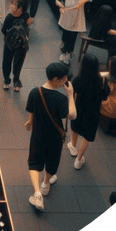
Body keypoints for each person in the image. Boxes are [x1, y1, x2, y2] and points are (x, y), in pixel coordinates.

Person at [24, 62, 76, 211]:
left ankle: (37, 193)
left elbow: (31, 109)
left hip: (38, 134)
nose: (66, 81)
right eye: (64, 79)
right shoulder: (61, 99)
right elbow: (72, 115)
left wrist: (30, 122)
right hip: (55, 137)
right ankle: (46, 184)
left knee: (34, 161)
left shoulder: (35, 91)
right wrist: (70, 95)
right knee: (52, 161)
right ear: (56, 79)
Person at [67, 53, 107, 170]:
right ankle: (79, 160)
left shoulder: (78, 79)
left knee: (75, 127)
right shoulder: (102, 80)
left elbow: (73, 96)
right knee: (87, 135)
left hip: (79, 109)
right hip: (93, 113)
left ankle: (73, 146)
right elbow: (104, 96)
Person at [56, 0, 91, 64]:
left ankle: (68, 54)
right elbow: (58, 0)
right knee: (66, 33)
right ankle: (65, 46)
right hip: (67, 16)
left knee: (72, 36)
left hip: (77, 18)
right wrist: (61, 7)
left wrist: (85, 0)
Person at [1, 0, 34, 92]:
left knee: (18, 63)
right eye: (11, 5)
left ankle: (16, 80)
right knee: (6, 61)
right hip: (9, 44)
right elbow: (3, 30)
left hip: (21, 45)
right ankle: (7, 80)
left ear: (20, 8)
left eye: (14, 6)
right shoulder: (9, 17)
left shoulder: (26, 16)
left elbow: (27, 28)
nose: (11, 7)